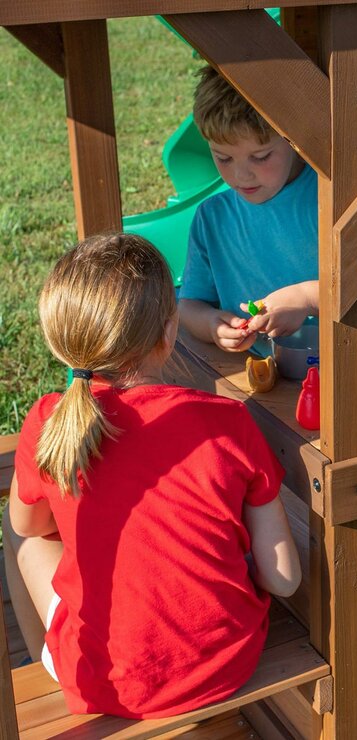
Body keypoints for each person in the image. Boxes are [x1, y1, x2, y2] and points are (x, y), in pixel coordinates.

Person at [1, 233, 301, 718]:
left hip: (103, 686)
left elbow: (28, 527)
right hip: (226, 664)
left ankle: (50, 661)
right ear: (169, 332)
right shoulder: (226, 421)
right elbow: (284, 580)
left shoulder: (46, 421)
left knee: (20, 535)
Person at [179, 66, 357, 355]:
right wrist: (211, 325)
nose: (241, 175)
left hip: (342, 372)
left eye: (260, 157)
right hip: (257, 377)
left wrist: (307, 297)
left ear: (294, 140)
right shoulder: (212, 218)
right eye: (223, 158)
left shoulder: (333, 197)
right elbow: (189, 305)